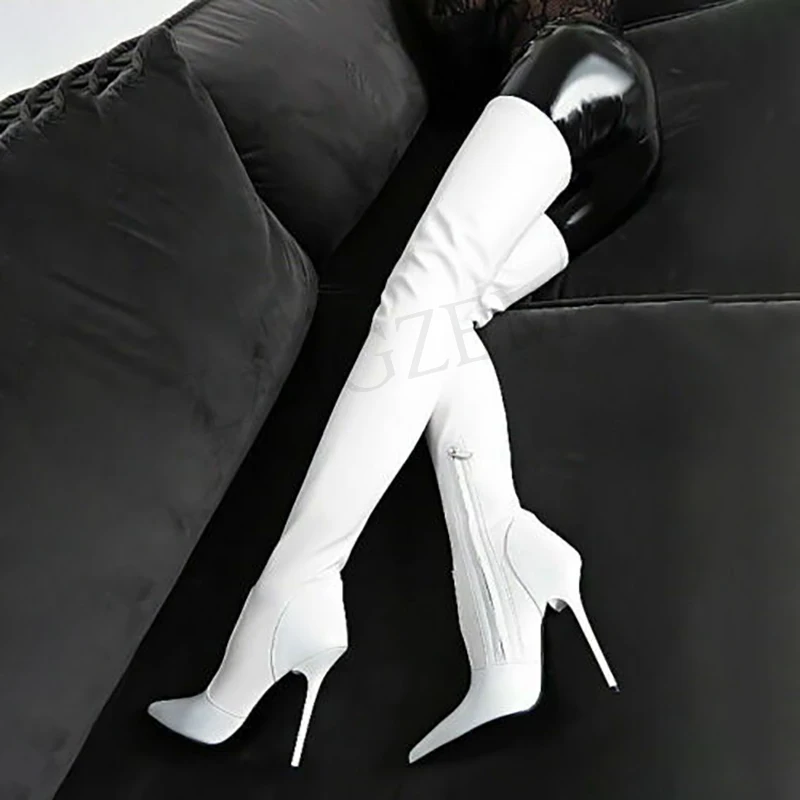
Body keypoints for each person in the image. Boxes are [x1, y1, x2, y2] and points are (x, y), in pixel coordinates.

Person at [147, 1, 661, 766]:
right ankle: (505, 602)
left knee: (420, 293)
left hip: (577, 68)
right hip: (622, 156)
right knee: (449, 315)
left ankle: (289, 597)